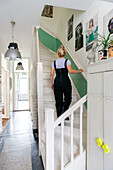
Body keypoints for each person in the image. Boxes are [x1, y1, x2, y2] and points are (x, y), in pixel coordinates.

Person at [50, 45, 83, 118]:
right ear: (65, 53)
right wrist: (79, 71)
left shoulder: (54, 62)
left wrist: (51, 83)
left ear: (58, 53)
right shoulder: (67, 61)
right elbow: (70, 71)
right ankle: (64, 111)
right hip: (65, 81)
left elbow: (51, 74)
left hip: (57, 82)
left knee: (58, 101)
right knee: (68, 98)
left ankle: (60, 118)